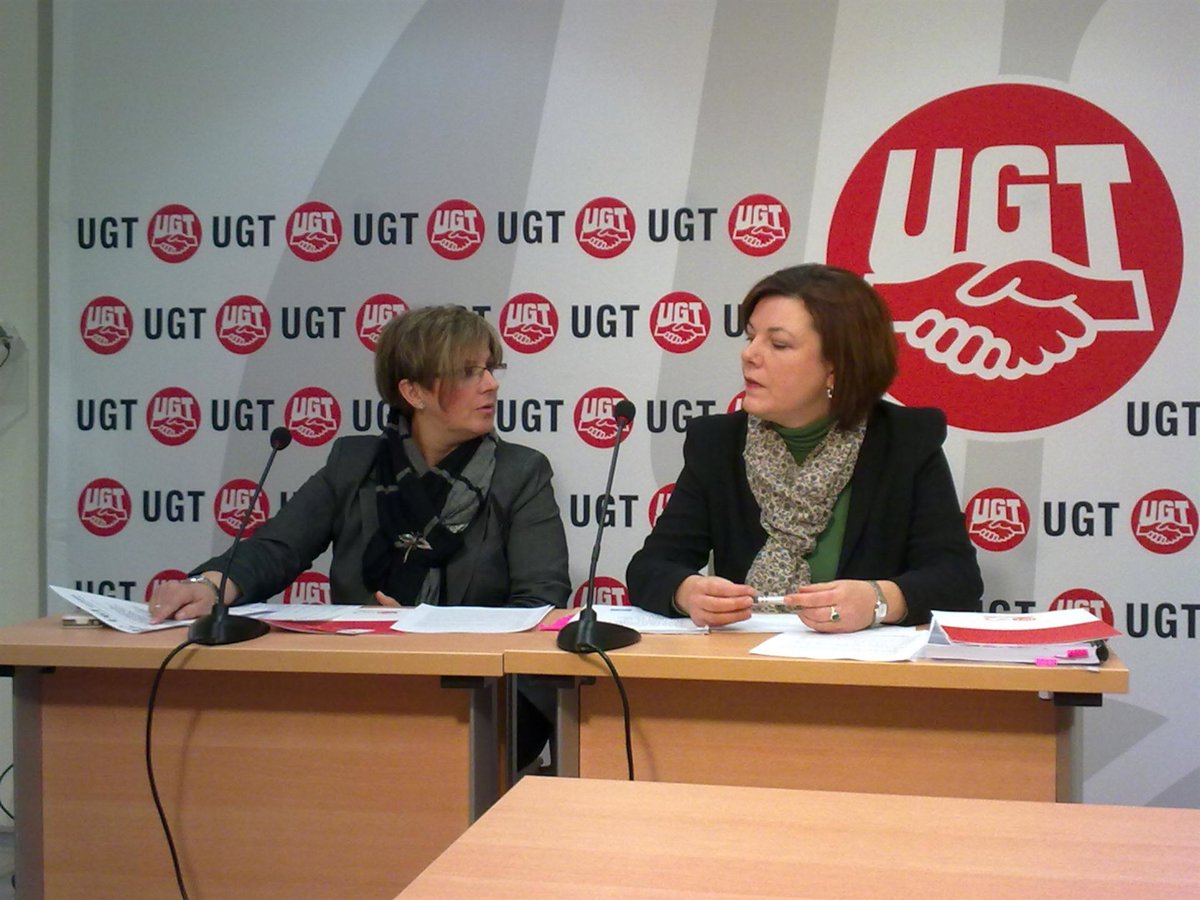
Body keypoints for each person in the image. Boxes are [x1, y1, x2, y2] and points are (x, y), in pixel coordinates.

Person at [150, 304, 570, 766]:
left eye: (490, 369)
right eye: (469, 372)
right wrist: (211, 586)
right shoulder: (353, 464)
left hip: (488, 697)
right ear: (413, 391)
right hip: (364, 683)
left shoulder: (520, 473)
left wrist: (426, 629)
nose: (491, 384)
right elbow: (276, 548)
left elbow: (541, 601)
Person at [627, 263, 982, 631]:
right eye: (751, 338)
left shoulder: (905, 441)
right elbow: (651, 567)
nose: (749, 355)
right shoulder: (718, 443)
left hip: (862, 663)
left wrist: (878, 600)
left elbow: (957, 580)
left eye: (778, 344)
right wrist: (687, 592)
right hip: (744, 658)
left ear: (836, 367)